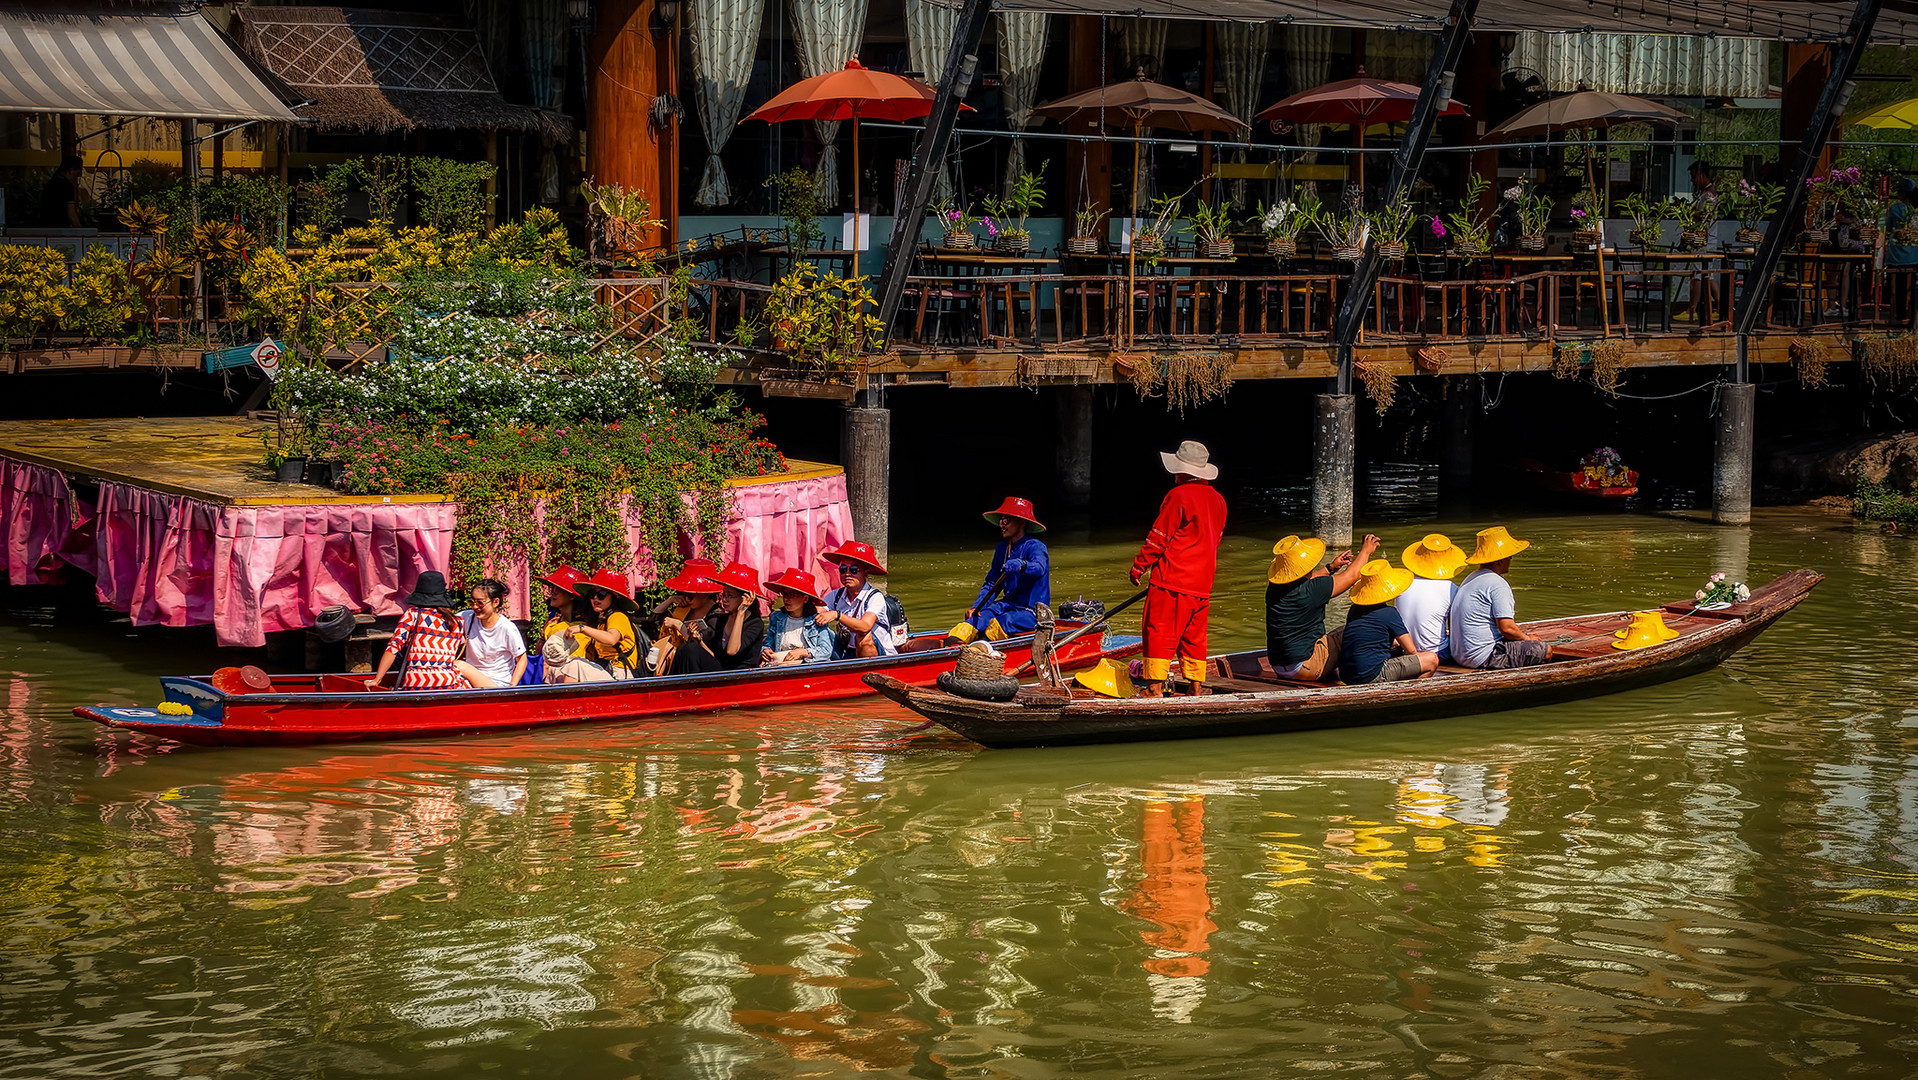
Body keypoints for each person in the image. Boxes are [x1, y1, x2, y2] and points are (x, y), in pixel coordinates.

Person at [1130, 441, 1228, 697]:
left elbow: (1159, 537)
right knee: (1194, 636)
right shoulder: (1219, 501)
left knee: (1159, 631)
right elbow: (1215, 541)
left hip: (1172, 579)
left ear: (1184, 471)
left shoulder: (1178, 496)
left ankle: (1153, 688)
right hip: (1201, 584)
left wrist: (1139, 567)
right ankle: (1196, 687)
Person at [1265, 532, 1380, 681]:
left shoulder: (1274, 589)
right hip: (1306, 666)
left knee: (1340, 632)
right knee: (1360, 628)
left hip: (1279, 666)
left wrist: (1330, 568)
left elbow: (1305, 580)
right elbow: (1353, 575)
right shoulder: (1314, 589)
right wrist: (1366, 551)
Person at [1448, 526, 1553, 670]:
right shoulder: (1497, 584)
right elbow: (1507, 629)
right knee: (1545, 651)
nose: (1510, 560)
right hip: (1482, 656)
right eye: (1509, 557)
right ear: (1500, 561)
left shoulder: (1470, 578)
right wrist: (1528, 639)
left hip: (1459, 655)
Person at [948, 496, 1051, 644]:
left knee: (998, 625)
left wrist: (1022, 565)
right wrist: (977, 607)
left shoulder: (1036, 546)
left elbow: (1039, 568)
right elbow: (991, 583)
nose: (1002, 525)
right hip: (1007, 605)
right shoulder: (1002, 548)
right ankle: (950, 647)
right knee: (973, 622)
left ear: (1021, 521)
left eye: (1006, 521)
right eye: (1001, 520)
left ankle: (980, 649)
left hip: (1031, 612)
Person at [1338, 561, 1440, 685]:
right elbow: (1411, 651)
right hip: (1371, 675)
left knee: (1397, 646)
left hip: (1347, 674)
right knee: (1431, 659)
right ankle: (1411, 692)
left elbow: (1372, 637)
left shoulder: (1354, 609)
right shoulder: (1389, 613)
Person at [368, 571, 470, 690]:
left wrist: (377, 680)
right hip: (446, 682)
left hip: (416, 682)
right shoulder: (457, 621)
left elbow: (393, 648)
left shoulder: (412, 615)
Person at [670, 562, 765, 673]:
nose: (725, 599)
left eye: (730, 596)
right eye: (723, 594)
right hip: (720, 670)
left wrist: (741, 612)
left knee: (691, 650)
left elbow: (731, 651)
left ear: (745, 598)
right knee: (686, 649)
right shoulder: (722, 619)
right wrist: (699, 641)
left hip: (739, 674)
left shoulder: (755, 623)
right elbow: (715, 656)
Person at [550, 569, 641, 682]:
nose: (595, 598)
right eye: (592, 595)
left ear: (615, 597)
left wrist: (582, 629)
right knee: (555, 669)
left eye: (601, 594)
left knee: (574, 665)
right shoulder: (600, 621)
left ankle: (568, 699)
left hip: (619, 674)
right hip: (605, 670)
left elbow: (611, 639)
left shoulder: (618, 616)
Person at [818, 540, 895, 658]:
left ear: (865, 573)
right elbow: (819, 611)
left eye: (853, 570)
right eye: (843, 569)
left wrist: (837, 615)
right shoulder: (836, 595)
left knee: (863, 636)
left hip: (879, 654)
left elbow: (865, 627)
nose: (847, 574)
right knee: (824, 633)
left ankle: (868, 671)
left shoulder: (875, 597)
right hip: (849, 651)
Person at [1397, 533, 1466, 662]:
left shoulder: (1402, 583)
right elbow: (1455, 629)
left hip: (1405, 650)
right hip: (1437, 653)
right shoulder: (1450, 588)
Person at [453, 577, 527, 688]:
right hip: (470, 680)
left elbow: (522, 659)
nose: (475, 607)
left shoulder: (507, 628)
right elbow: (445, 622)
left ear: (495, 602)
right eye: (471, 602)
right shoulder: (466, 617)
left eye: (480, 603)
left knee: (458, 665)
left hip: (497, 684)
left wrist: (511, 688)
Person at [651, 562, 721, 675]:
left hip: (699, 668)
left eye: (690, 595)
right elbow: (653, 620)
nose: (686, 599)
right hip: (676, 663)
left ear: (706, 594)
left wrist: (678, 624)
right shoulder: (685, 609)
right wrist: (670, 600)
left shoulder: (716, 617)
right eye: (684, 594)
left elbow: (698, 642)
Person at [762, 568, 837, 665]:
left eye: (791, 594)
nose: (786, 599)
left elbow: (825, 651)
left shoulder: (817, 621)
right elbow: (768, 643)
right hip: (780, 666)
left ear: (805, 598)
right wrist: (766, 650)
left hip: (807, 668)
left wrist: (804, 652)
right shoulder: (776, 617)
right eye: (784, 594)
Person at [535, 565, 588, 684]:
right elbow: (539, 654)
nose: (552, 593)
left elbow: (572, 660)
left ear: (572, 595)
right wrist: (543, 634)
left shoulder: (582, 627)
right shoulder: (553, 619)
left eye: (557, 589)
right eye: (552, 588)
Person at [41, 156, 82, 228]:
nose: (76, 177)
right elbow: (71, 214)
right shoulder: (67, 185)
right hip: (61, 228)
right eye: (77, 174)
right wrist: (79, 229)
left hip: (46, 227)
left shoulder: (50, 183)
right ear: (71, 170)